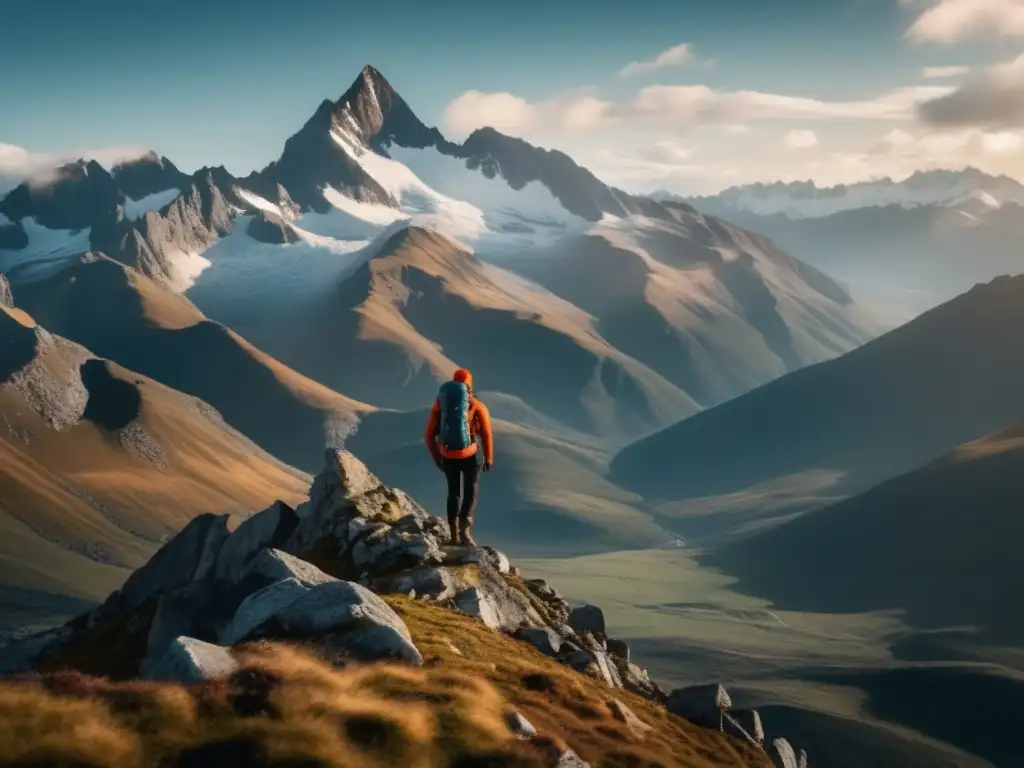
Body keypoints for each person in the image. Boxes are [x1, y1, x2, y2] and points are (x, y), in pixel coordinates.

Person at [424, 368, 493, 546]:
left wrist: (436, 457)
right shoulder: (477, 406)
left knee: (453, 493)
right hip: (472, 452)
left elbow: (428, 434)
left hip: (447, 453)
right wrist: (489, 457)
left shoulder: (440, 405)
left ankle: (453, 534)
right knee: (471, 490)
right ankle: (465, 531)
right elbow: (486, 433)